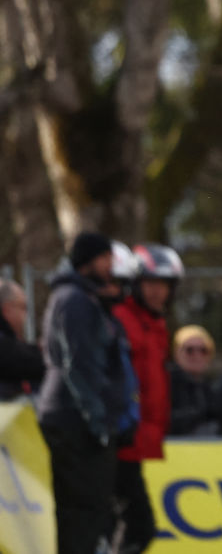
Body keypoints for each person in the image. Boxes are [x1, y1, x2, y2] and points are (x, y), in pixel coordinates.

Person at [36, 232, 132, 554]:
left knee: (89, 510)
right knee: (81, 511)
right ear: (89, 261)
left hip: (77, 415)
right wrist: (97, 420)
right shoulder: (75, 300)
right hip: (75, 419)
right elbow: (78, 364)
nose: (110, 265)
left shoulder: (82, 298)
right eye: (105, 258)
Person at [108, 244, 183, 554]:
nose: (157, 292)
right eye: (150, 283)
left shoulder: (157, 324)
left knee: (124, 527)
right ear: (135, 284)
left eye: (164, 285)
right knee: (138, 526)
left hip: (135, 439)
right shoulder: (120, 317)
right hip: (117, 437)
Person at [168, 324, 218, 435]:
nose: (197, 355)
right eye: (189, 350)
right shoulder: (165, 385)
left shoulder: (213, 388)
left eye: (203, 350)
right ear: (176, 353)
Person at [0, 277, 44, 400]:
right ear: (7, 309)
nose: (25, 316)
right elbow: (27, 362)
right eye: (22, 307)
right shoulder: (5, 348)